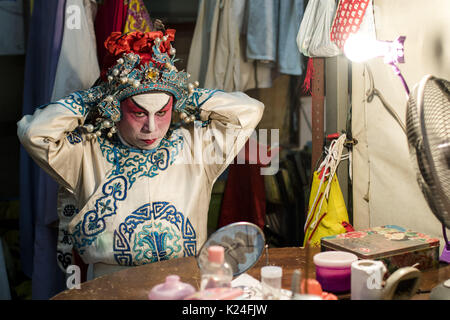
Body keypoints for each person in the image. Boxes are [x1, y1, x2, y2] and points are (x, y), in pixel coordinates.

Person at [18, 29, 264, 278]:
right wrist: (99, 95)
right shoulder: (85, 152)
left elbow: (249, 111)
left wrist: (184, 93)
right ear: (116, 108)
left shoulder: (194, 146)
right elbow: (34, 133)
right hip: (111, 285)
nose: (151, 127)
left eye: (161, 112)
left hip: (184, 280)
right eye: (138, 113)